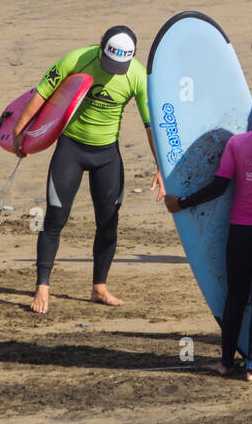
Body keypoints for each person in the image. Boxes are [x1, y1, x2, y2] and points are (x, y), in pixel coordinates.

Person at [11, 26, 161, 314]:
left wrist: (160, 166)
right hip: (71, 149)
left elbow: (150, 125)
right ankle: (42, 285)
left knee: (108, 221)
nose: (113, 70)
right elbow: (43, 92)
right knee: (55, 216)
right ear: (100, 46)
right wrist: (20, 129)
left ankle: (99, 287)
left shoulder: (138, 76)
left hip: (107, 156)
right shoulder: (77, 59)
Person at [165, 85, 252, 381]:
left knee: (236, 297)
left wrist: (183, 203)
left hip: (241, 231)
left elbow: (218, 187)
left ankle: (226, 362)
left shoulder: (238, 144)